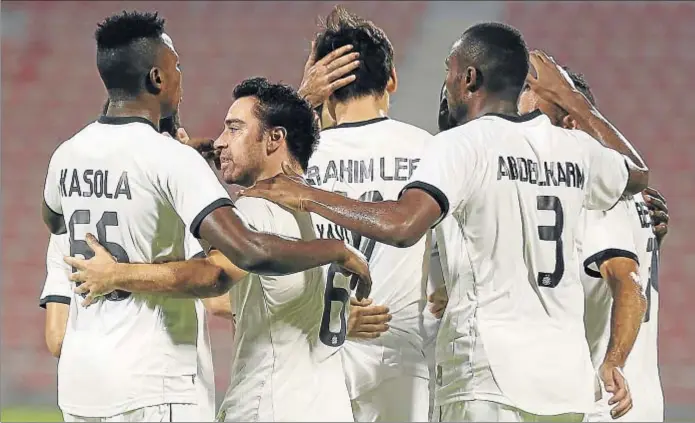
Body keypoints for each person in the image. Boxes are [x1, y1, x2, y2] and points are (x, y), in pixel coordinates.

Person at [240, 22, 651, 422]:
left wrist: (310, 190)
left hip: (486, 373)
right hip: (565, 379)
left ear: (469, 78)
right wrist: (574, 100)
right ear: (391, 80)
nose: (446, 84)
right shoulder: (574, 149)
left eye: (449, 73)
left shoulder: (460, 145)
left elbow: (404, 224)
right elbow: (636, 174)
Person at [40, 11, 370, 422]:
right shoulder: (174, 162)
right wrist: (334, 250)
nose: (182, 75)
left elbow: (55, 220)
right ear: (157, 78)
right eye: (176, 66)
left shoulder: (65, 156)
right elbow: (237, 257)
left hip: (82, 387)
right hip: (157, 381)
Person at [302, 6, 438, 422]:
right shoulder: (430, 151)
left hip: (316, 351)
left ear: (325, 88)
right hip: (403, 358)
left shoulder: (294, 162)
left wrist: (299, 102)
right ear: (391, 80)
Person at [519, 54, 666, 421]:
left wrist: (613, 362)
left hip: (610, 402)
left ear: (569, 120)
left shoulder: (594, 192)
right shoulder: (618, 190)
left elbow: (627, 281)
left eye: (533, 115)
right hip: (632, 397)